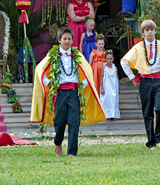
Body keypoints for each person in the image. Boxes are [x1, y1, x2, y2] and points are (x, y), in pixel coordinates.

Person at [30, 27, 105, 157]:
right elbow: (39, 70)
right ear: (59, 40)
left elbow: (88, 71)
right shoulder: (53, 55)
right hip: (59, 93)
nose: (67, 41)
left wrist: (83, 84)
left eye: (69, 39)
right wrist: (49, 83)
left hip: (74, 92)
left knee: (74, 122)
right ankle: (58, 143)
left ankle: (72, 152)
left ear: (72, 40)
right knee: (59, 121)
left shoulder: (77, 55)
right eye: (64, 39)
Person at [121, 19, 160, 149]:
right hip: (145, 81)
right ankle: (151, 141)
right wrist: (132, 77)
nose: (149, 32)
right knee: (147, 112)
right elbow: (124, 62)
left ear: (155, 31)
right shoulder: (138, 48)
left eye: (151, 30)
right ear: (143, 33)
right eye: (147, 30)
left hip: (159, 80)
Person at [100, 51, 120, 121]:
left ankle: (114, 115)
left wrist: (118, 88)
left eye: (110, 59)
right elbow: (101, 78)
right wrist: (102, 88)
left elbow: (117, 78)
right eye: (108, 59)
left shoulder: (115, 68)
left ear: (113, 59)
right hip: (107, 86)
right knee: (107, 100)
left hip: (114, 86)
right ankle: (107, 115)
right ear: (105, 59)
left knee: (114, 100)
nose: (109, 60)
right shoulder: (104, 68)